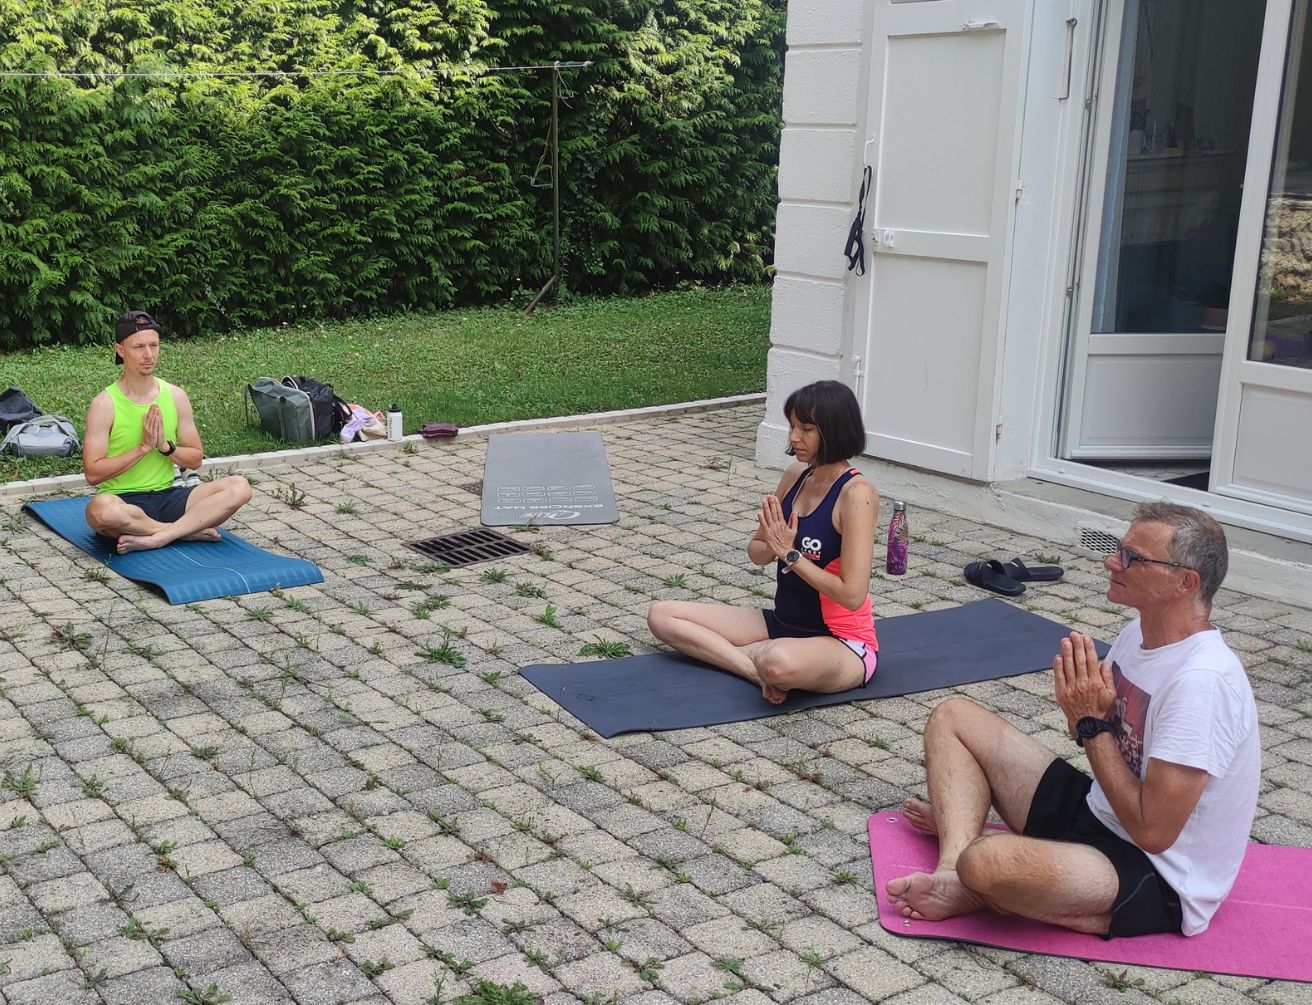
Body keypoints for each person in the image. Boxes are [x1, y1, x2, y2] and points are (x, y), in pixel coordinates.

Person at [886, 502, 1259, 938]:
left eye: (1131, 558)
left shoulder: (1203, 683)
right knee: (954, 717)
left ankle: (987, 881)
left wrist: (1089, 724)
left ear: (1185, 582)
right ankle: (954, 874)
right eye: (1118, 549)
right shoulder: (1138, 633)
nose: (1110, 562)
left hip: (1155, 872)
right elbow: (1096, 738)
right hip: (1097, 811)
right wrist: (1080, 717)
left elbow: (1153, 831)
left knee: (987, 860)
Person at [647, 380, 879, 704]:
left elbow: (852, 596)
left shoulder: (857, 494)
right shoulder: (796, 475)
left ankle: (755, 660)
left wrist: (791, 554)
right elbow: (756, 553)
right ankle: (750, 667)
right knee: (662, 615)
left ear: (834, 430)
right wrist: (773, 545)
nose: (793, 437)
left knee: (777, 661)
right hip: (781, 623)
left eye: (806, 429)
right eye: (793, 426)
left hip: (841, 642)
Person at [83, 310, 252, 553]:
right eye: (138, 347)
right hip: (124, 502)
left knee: (239, 486)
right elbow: (93, 474)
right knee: (100, 511)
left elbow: (195, 459)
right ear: (120, 350)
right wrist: (143, 448)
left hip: (170, 496)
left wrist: (165, 447)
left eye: (154, 345)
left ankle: (158, 537)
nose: (148, 355)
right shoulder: (104, 404)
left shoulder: (175, 396)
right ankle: (182, 531)